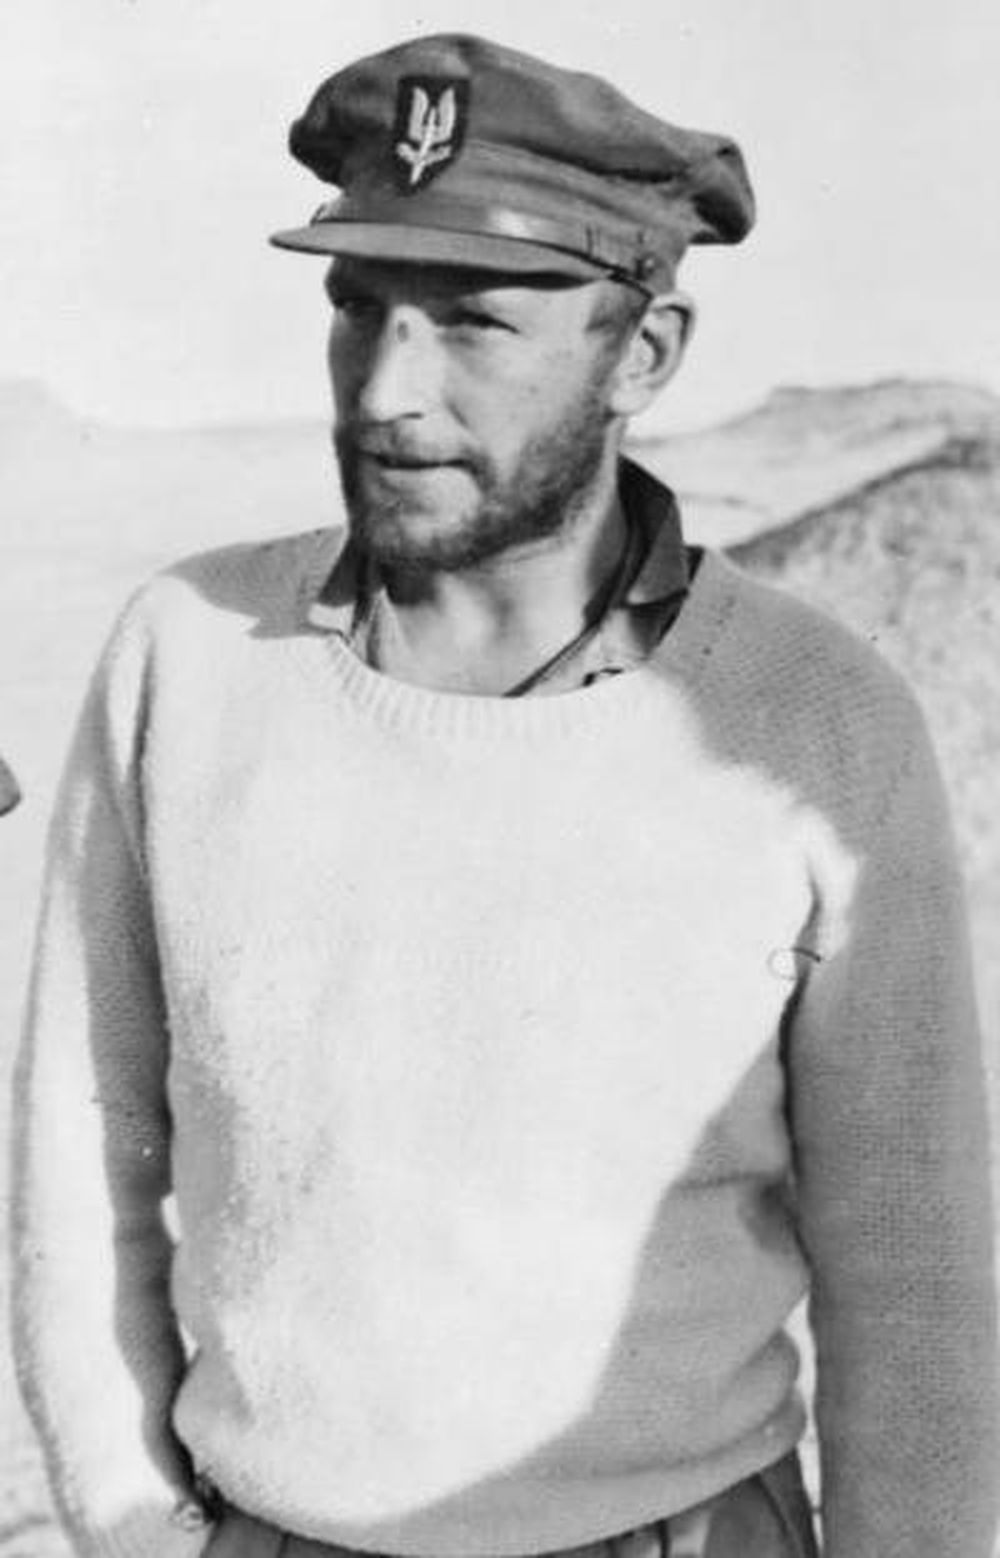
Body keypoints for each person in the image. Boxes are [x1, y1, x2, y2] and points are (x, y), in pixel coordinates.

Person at [10, 33, 997, 1558]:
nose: (386, 389)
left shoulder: (815, 718)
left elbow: (914, 1276)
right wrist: (140, 1533)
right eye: (358, 307)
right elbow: (80, 1161)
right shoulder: (186, 659)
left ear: (645, 352)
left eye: (473, 320)